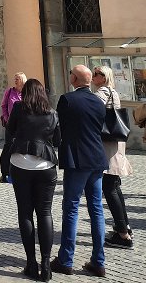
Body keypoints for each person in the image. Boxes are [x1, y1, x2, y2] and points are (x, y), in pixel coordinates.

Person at [51, 65, 108, 278]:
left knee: (71, 208)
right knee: (97, 209)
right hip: (96, 158)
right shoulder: (99, 102)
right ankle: (99, 261)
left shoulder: (67, 100)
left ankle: (66, 259)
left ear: (74, 79)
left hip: (77, 159)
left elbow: (60, 127)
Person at [6, 79, 60, 281]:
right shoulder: (52, 113)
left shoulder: (19, 108)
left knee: (25, 213)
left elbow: (10, 131)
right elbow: (57, 140)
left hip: (21, 162)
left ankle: (31, 263)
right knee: (45, 213)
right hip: (45, 165)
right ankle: (46, 265)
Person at [92, 66, 133, 248]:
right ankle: (124, 227)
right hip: (115, 143)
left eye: (96, 74)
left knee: (109, 187)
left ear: (103, 77)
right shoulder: (113, 92)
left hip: (107, 145)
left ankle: (123, 235)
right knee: (114, 186)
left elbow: (93, 112)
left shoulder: (101, 93)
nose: (93, 77)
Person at [0, 72, 27, 182]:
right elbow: (3, 106)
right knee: (8, 147)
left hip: (23, 125)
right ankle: (4, 173)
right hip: (11, 124)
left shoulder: (26, 92)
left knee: (22, 148)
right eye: (15, 78)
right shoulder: (9, 92)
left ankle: (21, 172)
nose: (15, 81)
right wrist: (7, 119)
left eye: (17, 79)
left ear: (23, 80)